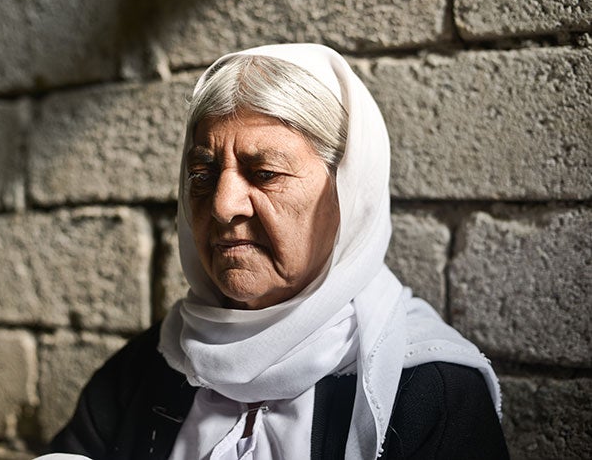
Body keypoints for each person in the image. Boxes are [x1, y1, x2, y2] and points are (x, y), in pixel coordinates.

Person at [47, 44, 509, 459]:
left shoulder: (429, 391)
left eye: (265, 173)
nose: (223, 206)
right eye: (203, 175)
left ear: (348, 192)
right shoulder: (151, 365)